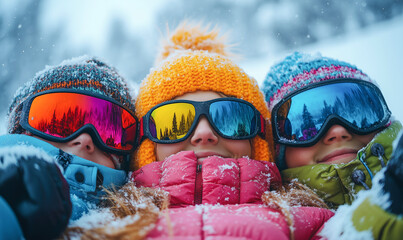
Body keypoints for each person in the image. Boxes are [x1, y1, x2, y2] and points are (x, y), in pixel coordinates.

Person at [70, 23, 334, 240]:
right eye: (175, 121)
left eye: (230, 117)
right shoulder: (105, 222)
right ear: (145, 145)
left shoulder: (309, 219)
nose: (204, 133)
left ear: (259, 140)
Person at [262, 51, 403, 239]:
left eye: (358, 116)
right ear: (278, 150)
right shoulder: (278, 227)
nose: (338, 131)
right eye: (306, 127)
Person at [0, 56, 138, 239]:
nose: (85, 138)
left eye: (109, 132)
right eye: (59, 123)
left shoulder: (142, 223)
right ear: (22, 130)